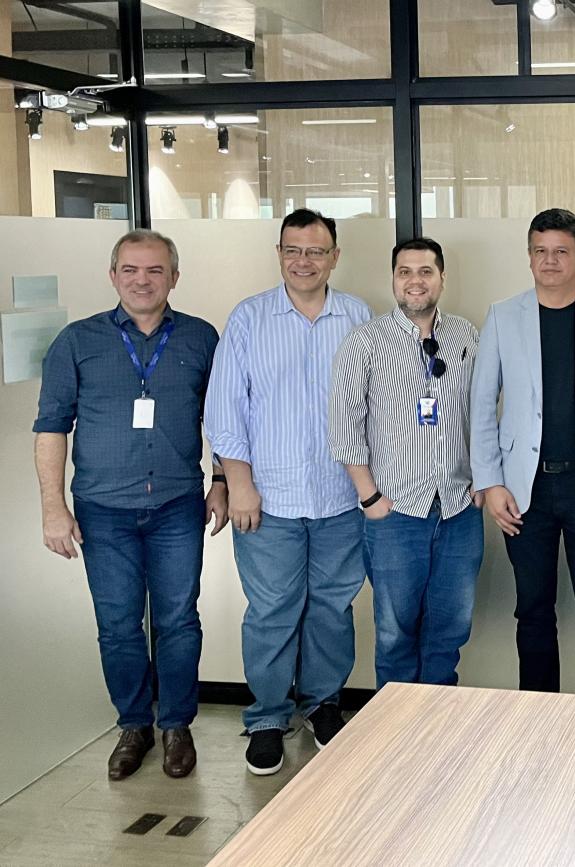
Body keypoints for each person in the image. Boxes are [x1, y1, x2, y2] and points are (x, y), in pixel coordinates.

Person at [34, 230, 225, 781]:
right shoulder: (77, 341)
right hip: (103, 509)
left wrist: (220, 481)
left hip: (176, 506)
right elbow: (51, 427)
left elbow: (225, 418)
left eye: (155, 270)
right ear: (113, 275)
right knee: (118, 624)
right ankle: (134, 725)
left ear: (174, 277)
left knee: (178, 620)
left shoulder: (200, 338)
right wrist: (53, 508)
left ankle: (177, 726)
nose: (143, 280)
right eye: (131, 270)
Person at [204, 209, 371, 776]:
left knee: (331, 607)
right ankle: (268, 718)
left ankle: (323, 704)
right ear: (279, 254)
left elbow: (374, 406)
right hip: (267, 499)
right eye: (293, 250)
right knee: (272, 611)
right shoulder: (249, 318)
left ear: (334, 257)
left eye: (316, 251)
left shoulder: (358, 317)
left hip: (341, 497)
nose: (304, 261)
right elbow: (225, 410)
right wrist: (238, 485)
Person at [470, 208, 575, 696]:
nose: (550, 261)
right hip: (524, 490)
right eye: (540, 251)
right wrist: (491, 481)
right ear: (529, 257)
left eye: (561, 251)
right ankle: (537, 716)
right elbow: (481, 405)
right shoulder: (504, 315)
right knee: (532, 610)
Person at [330, 237, 483, 692]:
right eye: (405, 272)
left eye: (425, 271)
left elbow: (483, 412)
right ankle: (396, 728)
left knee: (450, 631)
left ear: (442, 278)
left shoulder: (466, 335)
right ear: (393, 280)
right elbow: (344, 426)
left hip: (458, 509)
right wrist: (371, 498)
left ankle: (437, 723)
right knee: (396, 634)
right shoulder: (365, 342)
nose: (415, 281)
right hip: (395, 512)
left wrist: (484, 481)